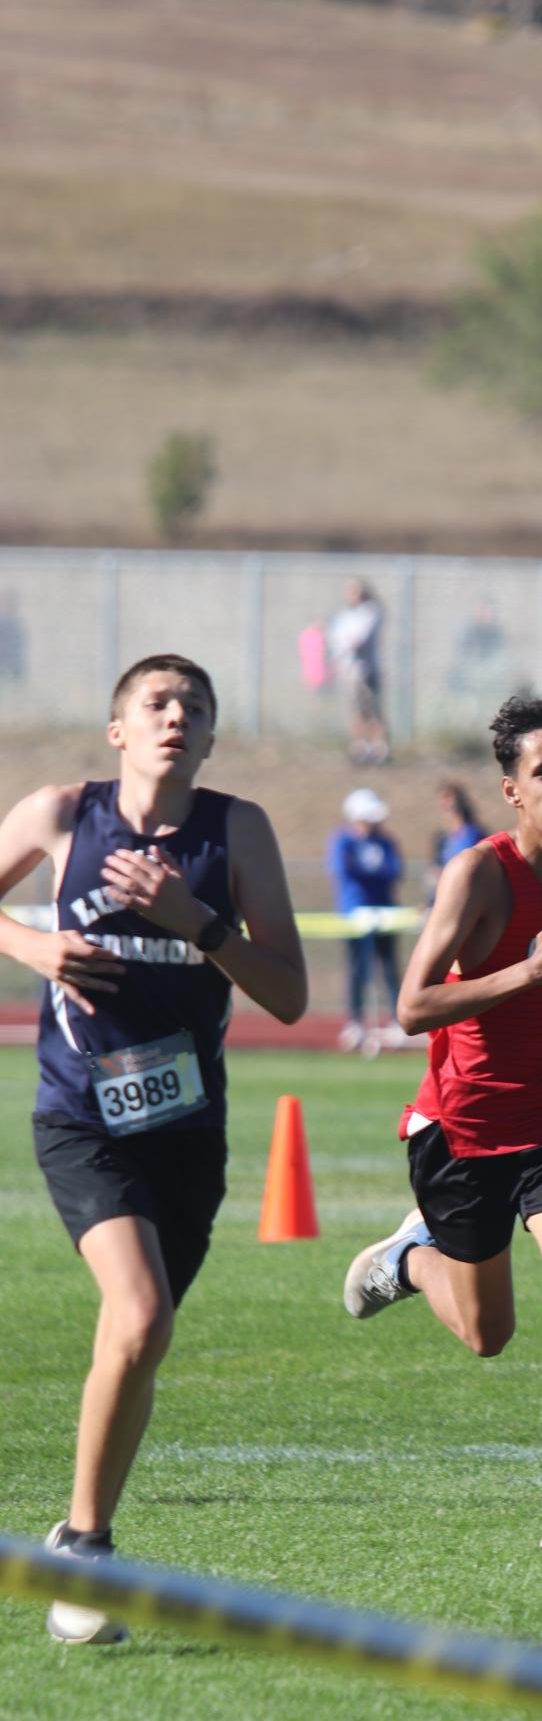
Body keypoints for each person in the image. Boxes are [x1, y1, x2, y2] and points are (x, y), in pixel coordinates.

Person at [0, 652, 306, 1643]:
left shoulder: (236, 830)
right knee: (135, 1316)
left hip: (186, 1131)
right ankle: (83, 1550)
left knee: (146, 1337)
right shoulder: (60, 813)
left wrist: (196, 921)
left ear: (211, 738)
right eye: (157, 703)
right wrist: (34, 946)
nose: (177, 717)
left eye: (196, 708)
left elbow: (290, 994)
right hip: (81, 1116)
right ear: (119, 729)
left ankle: (83, 1529)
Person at [342, 690, 542, 1558]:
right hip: (465, 1128)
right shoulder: (477, 874)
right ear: (511, 788)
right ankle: (409, 1257)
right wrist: (523, 975)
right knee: (489, 1334)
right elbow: (412, 1004)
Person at [327, 787, 406, 1056]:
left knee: (389, 968)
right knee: (358, 969)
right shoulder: (343, 841)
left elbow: (394, 871)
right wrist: (371, 874)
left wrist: (370, 874)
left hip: (385, 912)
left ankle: (398, 1019)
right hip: (355, 915)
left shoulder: (386, 842)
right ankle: (355, 1021)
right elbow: (344, 871)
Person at [327, 578, 388, 766]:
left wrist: (345, 643)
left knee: (372, 711)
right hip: (349, 671)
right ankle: (360, 748)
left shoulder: (370, 611)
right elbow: (335, 638)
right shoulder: (345, 615)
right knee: (356, 711)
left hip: (366, 670)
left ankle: (379, 750)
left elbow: (357, 639)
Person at [424, 780, 485, 903]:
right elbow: (435, 866)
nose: (444, 803)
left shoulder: (474, 833)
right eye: (442, 799)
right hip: (446, 893)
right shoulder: (442, 838)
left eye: (448, 797)